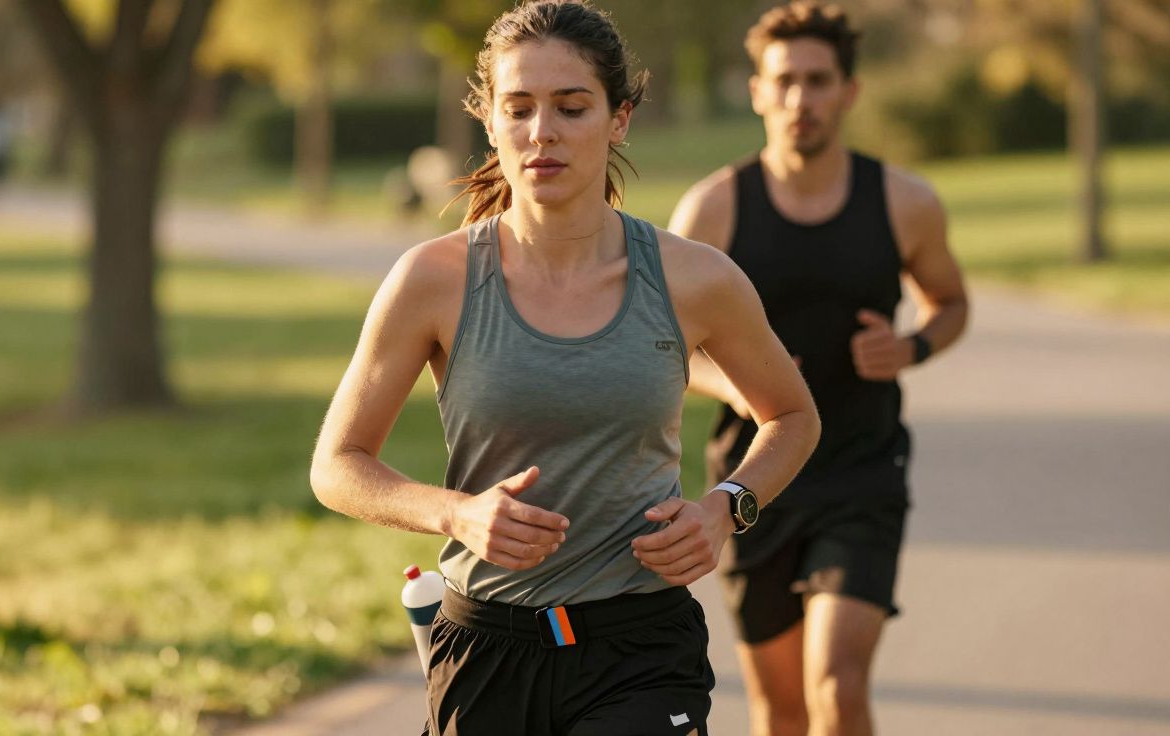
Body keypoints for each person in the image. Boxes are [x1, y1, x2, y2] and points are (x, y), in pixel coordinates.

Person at [310, 2, 820, 734]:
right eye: (518, 109)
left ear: (620, 119)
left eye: (572, 107)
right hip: (487, 643)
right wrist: (456, 513)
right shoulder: (433, 279)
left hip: (639, 648)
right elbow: (337, 464)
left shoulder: (693, 278)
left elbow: (793, 415)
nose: (542, 132)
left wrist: (724, 507)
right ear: (490, 120)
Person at [668, 3, 970, 735]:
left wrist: (912, 347)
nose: (801, 98)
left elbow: (950, 302)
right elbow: (663, 352)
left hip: (863, 473)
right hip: (755, 479)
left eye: (818, 80)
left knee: (836, 684)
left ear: (848, 92)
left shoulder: (905, 202)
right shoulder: (711, 210)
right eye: (786, 81)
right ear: (758, 92)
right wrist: (739, 383)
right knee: (781, 710)